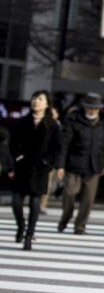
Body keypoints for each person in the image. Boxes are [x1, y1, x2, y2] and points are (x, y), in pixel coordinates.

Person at [9, 90, 62, 250]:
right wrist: (17, 157)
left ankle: (29, 236)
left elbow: (57, 147)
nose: (36, 101)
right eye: (34, 98)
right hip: (23, 166)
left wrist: (49, 162)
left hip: (40, 168)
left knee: (35, 202)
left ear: (46, 104)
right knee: (16, 202)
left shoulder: (52, 125)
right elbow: (12, 144)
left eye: (40, 99)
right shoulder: (22, 122)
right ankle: (21, 225)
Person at [57, 92, 104, 235]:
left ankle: (80, 226)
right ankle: (66, 217)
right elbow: (64, 144)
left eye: (95, 108)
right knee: (69, 193)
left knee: (88, 199)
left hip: (94, 166)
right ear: (85, 107)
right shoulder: (73, 119)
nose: (92, 110)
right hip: (73, 163)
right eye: (89, 107)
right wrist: (60, 165)